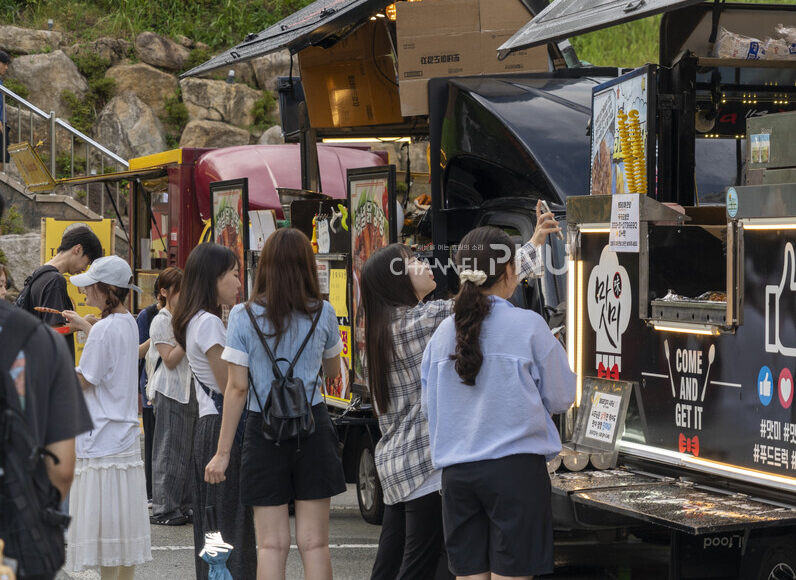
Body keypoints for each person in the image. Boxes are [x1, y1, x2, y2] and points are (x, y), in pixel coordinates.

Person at [362, 205, 559, 580]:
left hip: (395, 462)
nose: (423, 263)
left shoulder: (381, 328)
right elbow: (483, 296)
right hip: (422, 465)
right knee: (419, 566)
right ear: (396, 282)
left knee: (392, 563)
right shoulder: (419, 323)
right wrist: (530, 246)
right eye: (411, 262)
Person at [420, 226, 576, 580]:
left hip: (457, 474)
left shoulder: (442, 333)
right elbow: (562, 396)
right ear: (509, 272)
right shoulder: (529, 326)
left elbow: (431, 409)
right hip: (515, 473)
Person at [205, 228, 345, 580]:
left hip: (262, 428)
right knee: (315, 544)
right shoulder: (323, 312)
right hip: (311, 426)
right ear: (307, 266)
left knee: (271, 545)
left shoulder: (242, 316)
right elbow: (332, 372)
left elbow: (237, 388)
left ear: (264, 266)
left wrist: (223, 453)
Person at [0, 192, 93, 580]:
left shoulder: (37, 273)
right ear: (78, 250)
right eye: (86, 261)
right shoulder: (54, 284)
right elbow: (62, 470)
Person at [62, 255, 152, 579]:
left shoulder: (104, 331)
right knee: (120, 542)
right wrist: (86, 325)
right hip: (123, 441)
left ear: (105, 289)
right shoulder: (128, 322)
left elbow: (85, 379)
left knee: (102, 540)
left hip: (101, 440)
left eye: (90, 286)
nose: (85, 292)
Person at [172, 243, 255, 580]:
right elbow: (231, 386)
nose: (239, 283)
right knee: (229, 524)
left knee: (214, 525)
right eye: (233, 274)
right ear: (213, 278)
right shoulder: (208, 323)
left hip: (209, 427)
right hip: (223, 428)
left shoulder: (195, 320)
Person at [146, 267, 197, 526]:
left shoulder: (186, 317)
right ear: (164, 292)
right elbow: (169, 359)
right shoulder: (162, 320)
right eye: (180, 291)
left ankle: (184, 504)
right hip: (170, 389)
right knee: (169, 449)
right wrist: (189, 335)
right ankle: (164, 508)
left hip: (190, 389)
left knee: (188, 450)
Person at [15, 225, 104, 362]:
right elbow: (54, 331)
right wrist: (83, 323)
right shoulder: (55, 280)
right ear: (78, 249)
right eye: (87, 262)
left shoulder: (40, 274)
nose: (85, 269)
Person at [136, 279, 160, 507]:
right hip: (151, 386)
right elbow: (139, 353)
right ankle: (151, 491)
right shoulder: (147, 315)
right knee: (152, 442)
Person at [1, 49, 10, 171]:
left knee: (2, 158)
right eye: (4, 64)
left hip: (3, 122)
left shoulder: (0, 82)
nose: (6, 68)